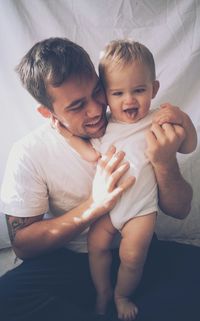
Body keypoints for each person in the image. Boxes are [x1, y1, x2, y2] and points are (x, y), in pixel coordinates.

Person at [0, 37, 199, 321]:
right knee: (6, 299)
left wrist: (164, 162)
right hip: (71, 258)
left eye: (98, 92)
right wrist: (93, 207)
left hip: (138, 244)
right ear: (49, 113)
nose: (96, 110)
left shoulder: (129, 120)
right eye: (77, 105)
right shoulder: (29, 152)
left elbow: (180, 211)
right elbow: (23, 244)